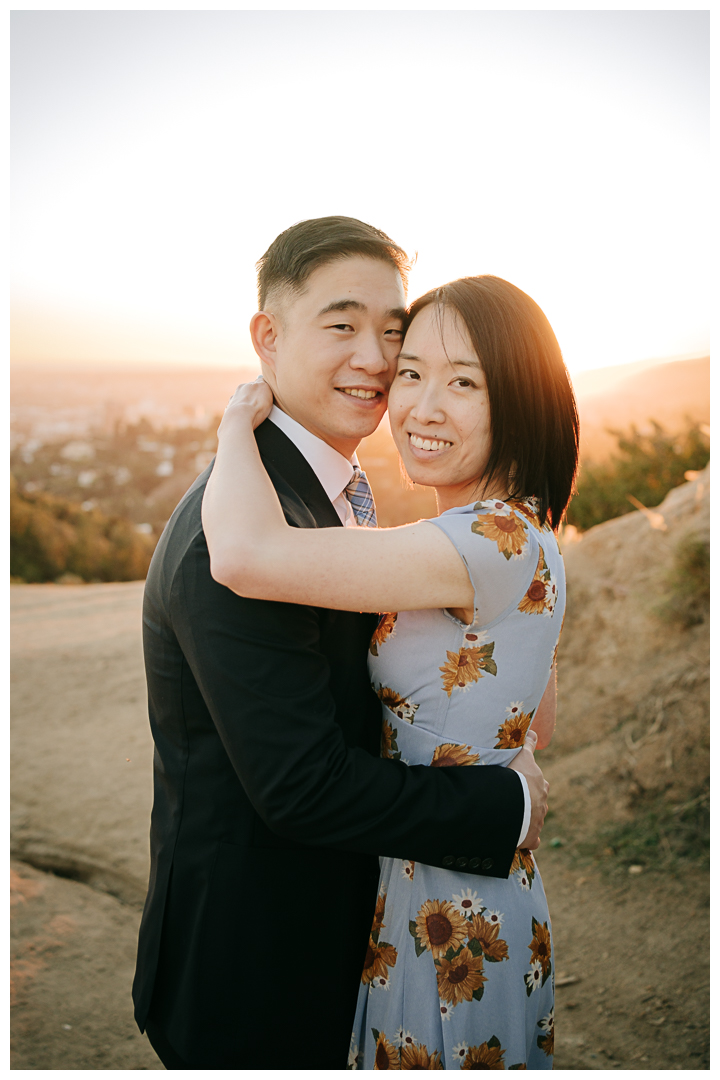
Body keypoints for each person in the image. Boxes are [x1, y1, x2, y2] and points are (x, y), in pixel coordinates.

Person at [132, 217, 549, 1070]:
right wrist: (507, 806)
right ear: (267, 337)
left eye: (391, 333)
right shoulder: (237, 537)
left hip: (355, 937)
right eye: (342, 325)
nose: (375, 357)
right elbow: (301, 787)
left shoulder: (335, 504)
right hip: (258, 970)